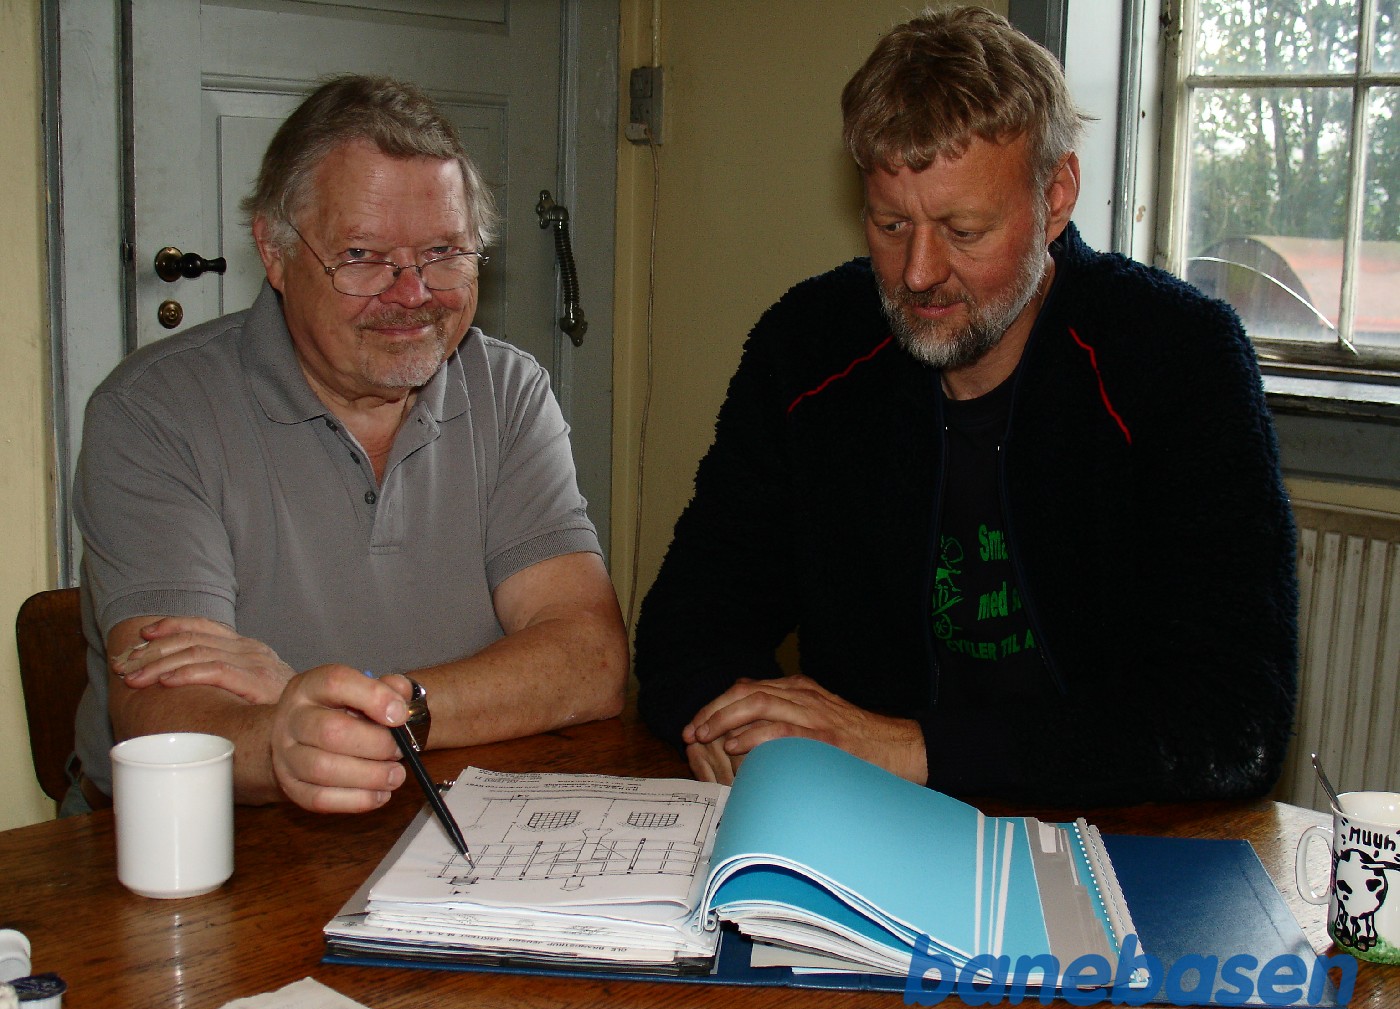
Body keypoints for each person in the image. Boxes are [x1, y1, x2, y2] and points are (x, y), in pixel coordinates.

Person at [634, 7, 1297, 806]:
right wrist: (740, 727)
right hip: (866, 826)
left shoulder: (1179, 361)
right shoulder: (807, 349)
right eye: (890, 225)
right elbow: (684, 627)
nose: (918, 273)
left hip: (1113, 836)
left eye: (963, 229)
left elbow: (1231, 723)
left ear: (1055, 199)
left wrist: (906, 748)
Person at [68, 75, 626, 816]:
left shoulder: (508, 392)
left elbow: (589, 662)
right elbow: (170, 722)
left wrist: (354, 703)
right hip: (195, 844)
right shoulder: (155, 412)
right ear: (274, 250)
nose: (412, 294)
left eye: (444, 252)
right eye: (362, 255)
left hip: (450, 819)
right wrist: (284, 739)